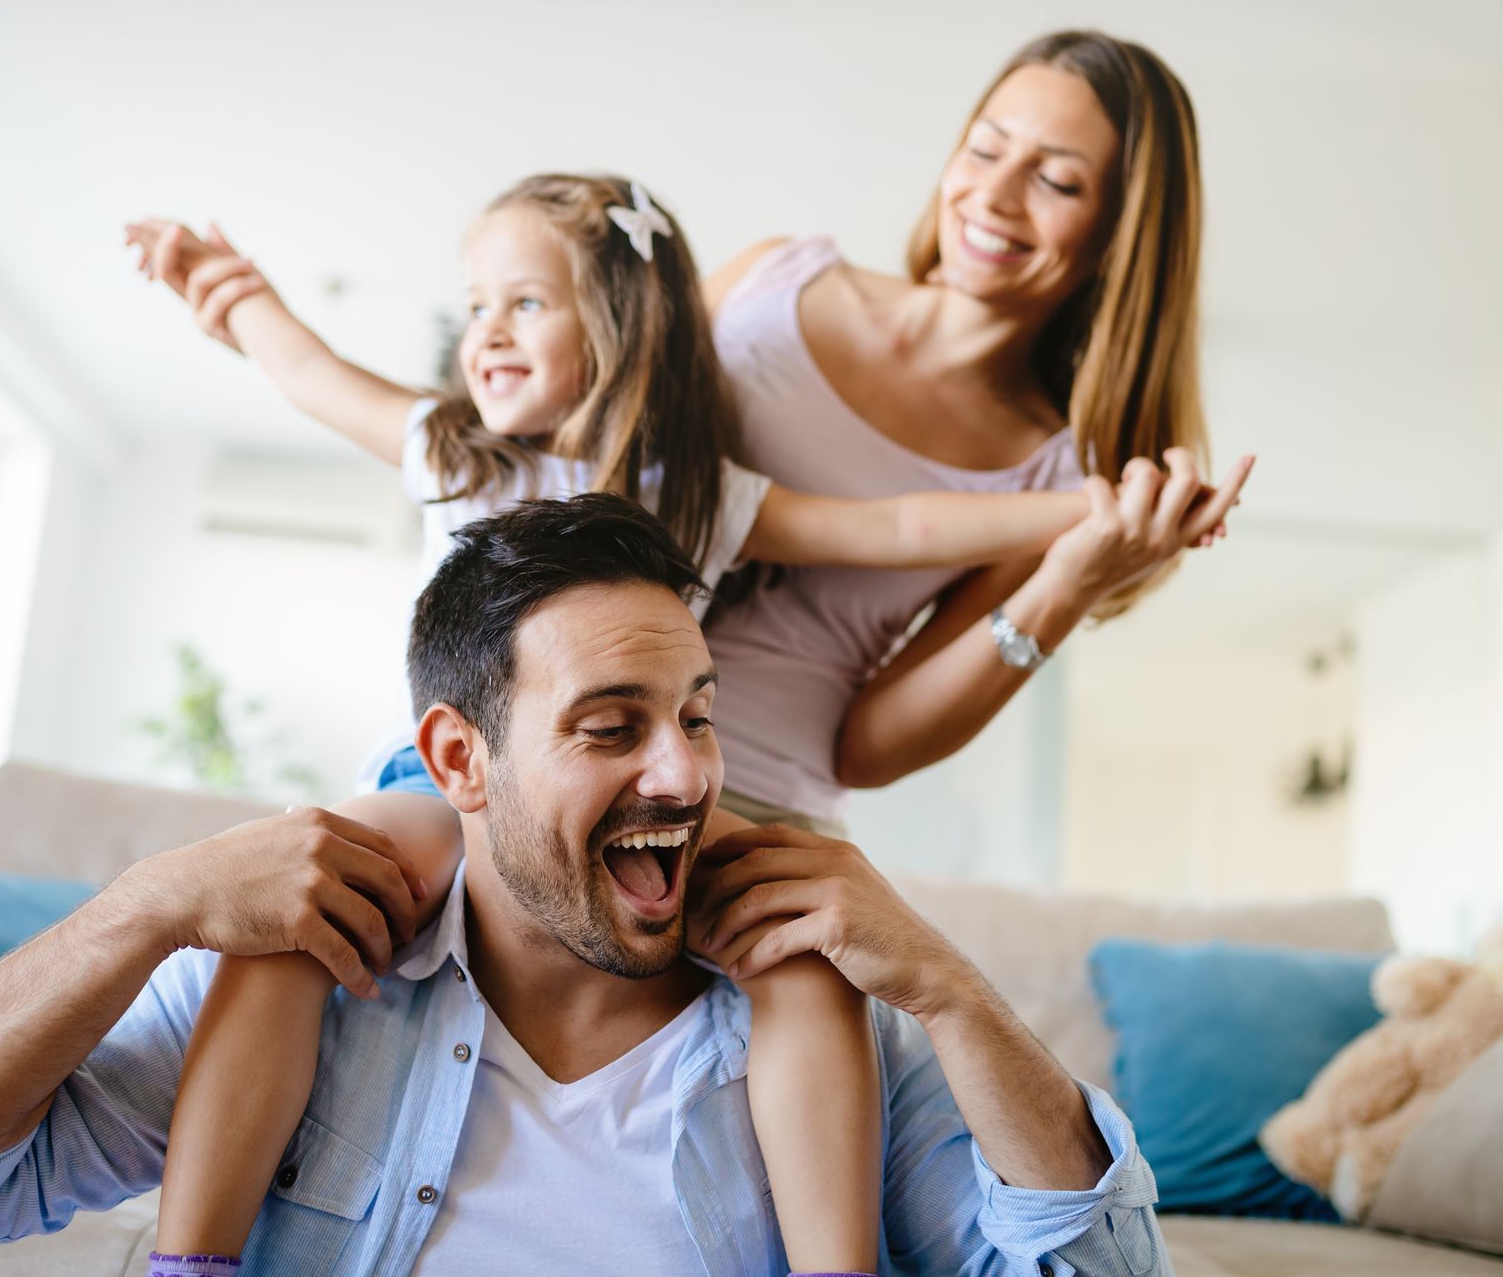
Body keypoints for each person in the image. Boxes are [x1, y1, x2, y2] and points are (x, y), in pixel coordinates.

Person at [120, 173, 1234, 1273]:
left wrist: (1103, 512)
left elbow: (903, 520)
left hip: (660, 821)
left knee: (806, 964)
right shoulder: (455, 446)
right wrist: (233, 293)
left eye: (522, 302)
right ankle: (192, 1259)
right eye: (475, 306)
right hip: (441, 791)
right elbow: (311, 372)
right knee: (295, 914)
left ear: (613, 325)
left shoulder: (704, 492)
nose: (485, 333)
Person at [0, 495, 1173, 1276]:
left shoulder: (824, 1004)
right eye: (610, 726)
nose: (684, 775)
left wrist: (949, 989)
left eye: (699, 716)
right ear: (458, 758)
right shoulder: (312, 972)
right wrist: (144, 905)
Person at [701, 29, 1248, 830]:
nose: (993, 197)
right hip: (554, 738)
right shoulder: (768, 279)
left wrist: (1068, 585)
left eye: (1057, 182)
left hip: (751, 805)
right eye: (985, 150)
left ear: (1117, 239)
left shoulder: (1054, 476)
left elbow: (868, 751)